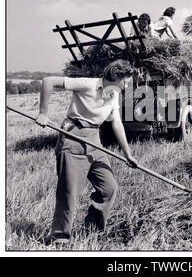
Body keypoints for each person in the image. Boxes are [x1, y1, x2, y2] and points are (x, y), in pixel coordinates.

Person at [36, 59, 138, 245]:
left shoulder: (113, 94)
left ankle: (92, 230)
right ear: (115, 76)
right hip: (73, 136)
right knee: (69, 192)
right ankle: (59, 237)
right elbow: (48, 81)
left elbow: (116, 122)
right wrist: (43, 112)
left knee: (109, 188)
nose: (126, 86)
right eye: (125, 81)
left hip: (94, 140)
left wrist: (127, 154)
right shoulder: (88, 84)